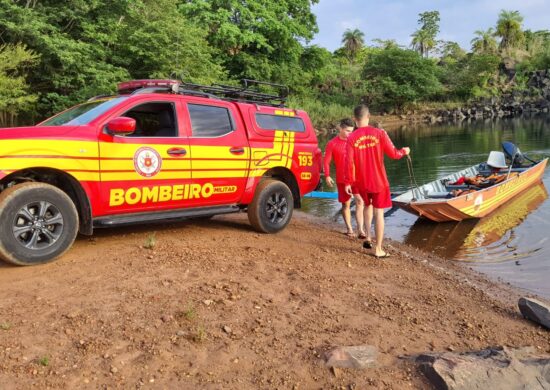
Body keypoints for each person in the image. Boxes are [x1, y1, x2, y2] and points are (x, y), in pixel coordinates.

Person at [344, 105, 410, 258]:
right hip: (379, 181)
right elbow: (393, 154)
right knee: (378, 213)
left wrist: (348, 182)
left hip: (362, 183)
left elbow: (349, 162)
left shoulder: (351, 138)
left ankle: (368, 237)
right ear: (369, 117)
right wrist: (404, 151)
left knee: (368, 206)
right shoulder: (380, 133)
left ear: (354, 119)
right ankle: (379, 249)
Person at [323, 118, 366, 238]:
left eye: (352, 131)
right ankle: (349, 229)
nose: (350, 134)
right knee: (346, 205)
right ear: (340, 128)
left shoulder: (355, 141)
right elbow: (326, 162)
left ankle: (361, 230)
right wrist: (327, 176)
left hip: (357, 178)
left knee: (360, 201)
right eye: (347, 131)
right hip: (342, 179)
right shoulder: (332, 143)